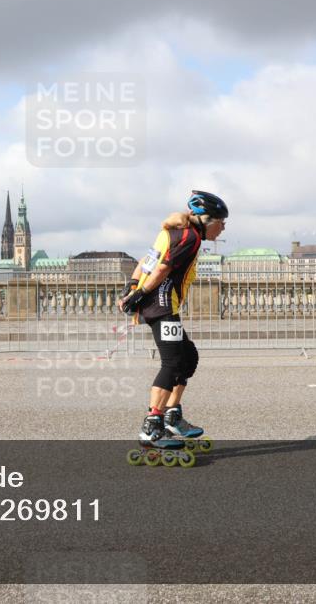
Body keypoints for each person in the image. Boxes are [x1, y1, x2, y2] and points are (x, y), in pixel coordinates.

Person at [118, 190, 228, 447]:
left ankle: (171, 415)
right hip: (162, 306)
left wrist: (133, 285)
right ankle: (152, 425)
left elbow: (147, 260)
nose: (222, 229)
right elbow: (163, 267)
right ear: (206, 220)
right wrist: (140, 293)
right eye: (221, 222)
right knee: (172, 363)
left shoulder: (170, 233)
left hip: (161, 304)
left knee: (188, 357)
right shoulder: (191, 238)